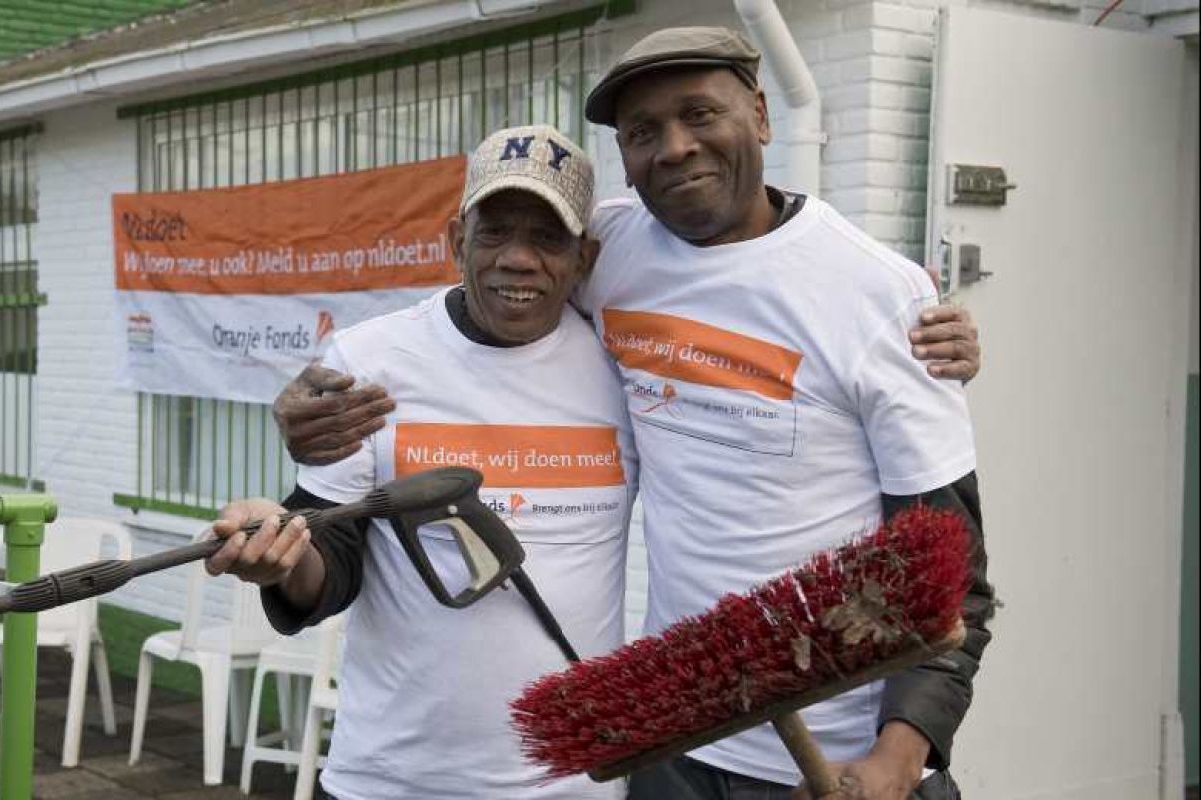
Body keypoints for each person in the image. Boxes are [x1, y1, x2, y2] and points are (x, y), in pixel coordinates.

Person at [270, 27, 993, 800]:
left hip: (831, 758)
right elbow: (479, 305)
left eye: (699, 115)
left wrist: (895, 758)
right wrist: (302, 407)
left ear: (759, 114)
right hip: (672, 742)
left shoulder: (879, 297)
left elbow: (956, 575)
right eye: (643, 132)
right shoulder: (615, 246)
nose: (675, 148)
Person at [208, 125, 636, 799]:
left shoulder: (624, 372)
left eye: (546, 238)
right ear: (454, 241)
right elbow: (334, 553)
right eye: (493, 232)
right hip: (389, 778)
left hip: (572, 784)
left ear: (583, 258)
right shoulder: (369, 361)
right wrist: (283, 557)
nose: (518, 259)